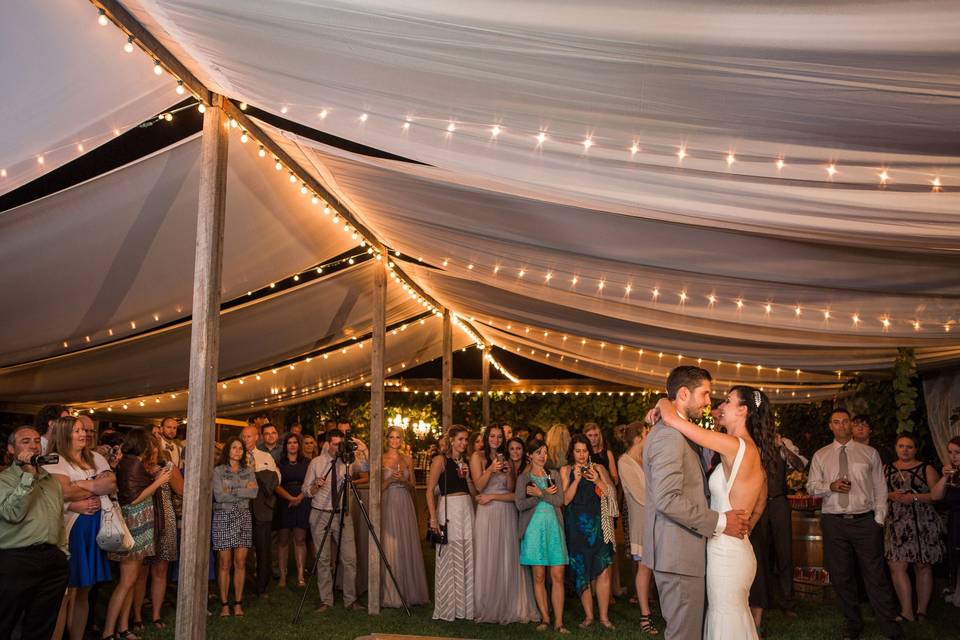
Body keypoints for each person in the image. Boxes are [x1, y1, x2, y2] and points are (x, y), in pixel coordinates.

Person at [642, 366, 750, 640]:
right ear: (683, 394)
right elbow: (668, 499)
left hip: (683, 551)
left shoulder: (677, 430)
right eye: (705, 394)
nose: (708, 402)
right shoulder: (669, 435)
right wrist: (721, 522)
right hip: (678, 554)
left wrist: (662, 404)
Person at [807, 409, 904, 640]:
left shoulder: (869, 453)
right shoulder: (821, 455)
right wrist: (830, 486)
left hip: (864, 521)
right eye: (836, 422)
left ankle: (890, 626)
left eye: (845, 421)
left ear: (851, 424)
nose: (841, 425)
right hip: (834, 522)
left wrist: (878, 518)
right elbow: (811, 486)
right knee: (841, 576)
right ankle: (853, 624)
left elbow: (880, 488)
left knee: (875, 575)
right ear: (830, 426)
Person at [45, 416, 116, 640]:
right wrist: (94, 485)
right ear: (64, 434)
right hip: (70, 532)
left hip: (94, 532)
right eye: (76, 431)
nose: (83, 434)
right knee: (64, 594)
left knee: (85, 590)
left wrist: (77, 486)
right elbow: (61, 493)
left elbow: (111, 484)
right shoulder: (54, 459)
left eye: (84, 430)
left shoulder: (94, 457)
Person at [0, 426, 70, 640]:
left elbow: (58, 521)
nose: (33, 445)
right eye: (25, 441)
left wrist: (63, 555)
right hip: (15, 560)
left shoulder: (51, 482)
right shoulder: (4, 480)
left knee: (41, 627)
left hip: (52, 561)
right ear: (11, 449)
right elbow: (12, 513)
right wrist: (28, 476)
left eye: (36, 441)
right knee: (4, 623)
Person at [101, 429, 169, 640]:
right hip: (133, 527)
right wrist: (159, 481)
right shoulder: (131, 463)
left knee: (130, 582)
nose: (155, 446)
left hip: (141, 527)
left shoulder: (135, 463)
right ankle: (108, 632)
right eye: (152, 442)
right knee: (126, 582)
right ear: (142, 443)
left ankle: (123, 628)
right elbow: (132, 499)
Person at [470, 425, 538, 624]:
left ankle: (510, 603)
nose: (496, 439)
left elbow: (511, 489)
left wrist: (508, 473)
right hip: (487, 512)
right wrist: (491, 469)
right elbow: (479, 486)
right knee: (488, 554)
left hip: (506, 511)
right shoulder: (478, 457)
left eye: (499, 437)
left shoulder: (507, 458)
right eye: (492, 436)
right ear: (486, 437)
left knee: (507, 555)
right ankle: (488, 604)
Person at [303, 428, 367, 612]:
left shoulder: (347, 462)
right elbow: (305, 490)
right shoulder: (316, 463)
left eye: (341, 443)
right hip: (320, 513)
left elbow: (367, 468)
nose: (339, 447)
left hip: (342, 513)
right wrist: (315, 486)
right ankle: (326, 600)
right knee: (322, 559)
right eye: (335, 444)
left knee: (350, 558)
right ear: (327, 444)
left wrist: (362, 448)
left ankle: (350, 600)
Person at [748, 429, 804, 632]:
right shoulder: (751, 444)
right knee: (759, 553)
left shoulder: (783, 442)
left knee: (784, 553)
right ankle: (762, 600)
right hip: (758, 505)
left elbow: (799, 466)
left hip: (779, 502)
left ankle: (788, 603)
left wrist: (783, 448)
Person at [884, 434, 945, 621]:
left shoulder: (926, 468)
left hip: (922, 523)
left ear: (915, 449)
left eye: (909, 446)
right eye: (901, 446)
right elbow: (876, 493)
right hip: (896, 524)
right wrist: (890, 494)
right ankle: (906, 611)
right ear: (895, 447)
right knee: (896, 566)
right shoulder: (887, 469)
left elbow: (937, 496)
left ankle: (922, 611)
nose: (905, 450)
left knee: (922, 565)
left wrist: (915, 497)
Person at [561, 434, 616, 629]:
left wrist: (598, 481)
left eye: (584, 451)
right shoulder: (566, 470)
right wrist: (576, 480)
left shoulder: (599, 468)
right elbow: (565, 500)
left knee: (602, 571)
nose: (582, 455)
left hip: (598, 526)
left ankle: (604, 617)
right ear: (572, 452)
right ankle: (589, 616)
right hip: (576, 527)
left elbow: (612, 494)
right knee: (582, 570)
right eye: (578, 451)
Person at [517, 440, 568, 633]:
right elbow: (520, 505)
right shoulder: (523, 478)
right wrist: (540, 495)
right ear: (529, 455)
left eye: (545, 452)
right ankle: (545, 618)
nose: (542, 456)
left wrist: (541, 493)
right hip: (533, 530)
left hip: (554, 528)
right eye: (538, 452)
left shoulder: (553, 475)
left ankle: (559, 622)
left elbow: (559, 500)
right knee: (539, 576)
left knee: (558, 575)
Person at [426, 425, 476, 621]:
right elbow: (429, 490)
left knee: (466, 552)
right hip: (449, 508)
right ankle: (449, 606)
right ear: (452, 440)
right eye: (460, 439)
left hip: (466, 508)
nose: (464, 443)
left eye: (466, 440)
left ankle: (466, 607)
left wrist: (468, 477)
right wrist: (433, 517)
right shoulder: (441, 460)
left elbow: (472, 492)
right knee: (450, 554)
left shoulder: (465, 461)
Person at [617, 422, 658, 635]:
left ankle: (667, 610)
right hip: (642, 521)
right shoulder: (624, 462)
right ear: (638, 438)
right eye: (647, 433)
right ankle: (645, 615)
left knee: (659, 568)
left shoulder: (648, 459)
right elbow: (640, 496)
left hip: (659, 520)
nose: (650, 436)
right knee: (645, 568)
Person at [381, 427, 429, 607]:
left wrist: (403, 480)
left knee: (406, 543)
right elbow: (377, 488)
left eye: (398, 437)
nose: (394, 440)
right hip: (389, 502)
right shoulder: (380, 458)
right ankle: (391, 591)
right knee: (390, 543)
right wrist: (391, 480)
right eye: (391, 437)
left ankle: (410, 589)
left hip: (405, 502)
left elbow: (413, 487)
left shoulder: (408, 459)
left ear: (402, 439)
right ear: (387, 439)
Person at [139, 439, 182, 630]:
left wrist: (168, 475)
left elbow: (182, 491)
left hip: (166, 519)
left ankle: (156, 615)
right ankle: (136, 615)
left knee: (160, 569)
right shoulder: (136, 466)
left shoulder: (167, 465)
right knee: (140, 571)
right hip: (143, 520)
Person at [212, 437, 257, 617]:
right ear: (227, 450)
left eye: (240, 448)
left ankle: (238, 603)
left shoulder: (249, 471)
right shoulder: (218, 471)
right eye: (234, 447)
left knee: (240, 562)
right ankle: (224, 604)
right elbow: (219, 496)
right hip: (223, 517)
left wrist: (231, 490)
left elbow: (253, 492)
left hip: (243, 517)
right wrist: (242, 490)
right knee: (225, 563)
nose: (237, 451)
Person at [241, 425, 280, 599]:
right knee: (242, 548)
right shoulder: (236, 456)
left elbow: (276, 477)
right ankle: (244, 583)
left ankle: (262, 586)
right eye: (243, 436)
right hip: (241, 507)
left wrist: (260, 479)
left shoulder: (266, 456)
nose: (246, 439)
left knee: (263, 548)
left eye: (249, 436)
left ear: (257, 437)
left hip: (262, 508)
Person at [274, 432, 310, 588]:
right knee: (282, 540)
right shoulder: (279, 463)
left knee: (300, 539)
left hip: (302, 500)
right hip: (284, 501)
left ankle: (301, 576)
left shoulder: (307, 463)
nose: (293, 445)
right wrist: (290, 498)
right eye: (289, 443)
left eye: (295, 442)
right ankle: (282, 576)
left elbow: (310, 482)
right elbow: (276, 484)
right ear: (285, 446)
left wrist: (299, 498)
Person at [931, 436, 960, 607]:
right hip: (956, 522)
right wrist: (944, 477)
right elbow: (935, 496)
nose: (953, 456)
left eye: (957, 452)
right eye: (950, 452)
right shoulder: (953, 473)